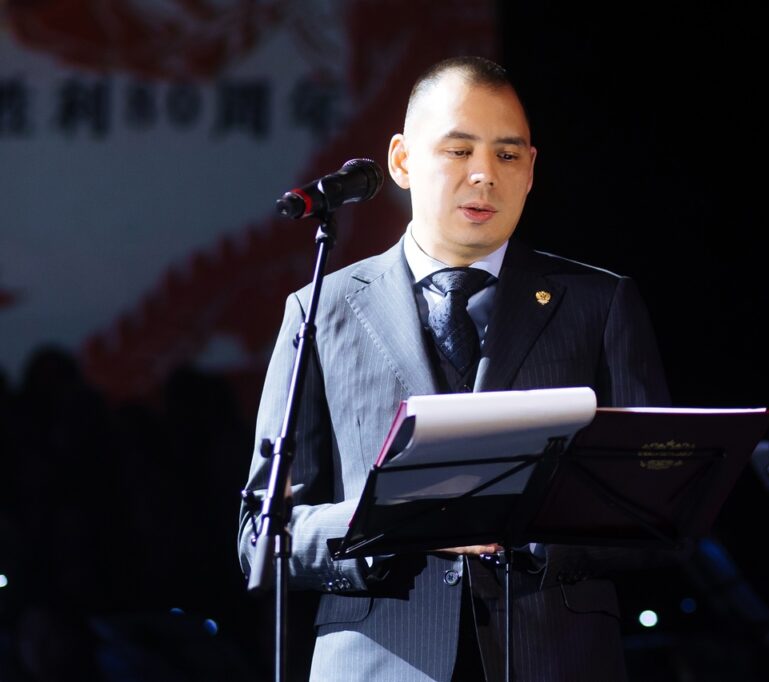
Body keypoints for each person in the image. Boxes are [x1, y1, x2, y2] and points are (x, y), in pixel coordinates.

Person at [238, 55, 670, 681]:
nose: (484, 174)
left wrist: (536, 535)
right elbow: (261, 538)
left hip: (554, 659)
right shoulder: (320, 310)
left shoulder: (599, 304)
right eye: (459, 150)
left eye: (507, 155)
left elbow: (656, 513)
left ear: (530, 171)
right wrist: (391, 521)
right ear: (402, 161)